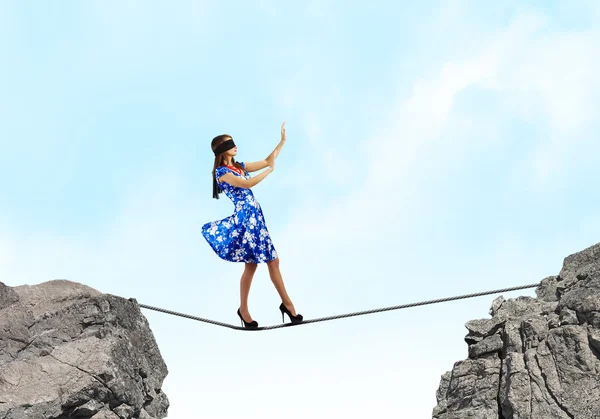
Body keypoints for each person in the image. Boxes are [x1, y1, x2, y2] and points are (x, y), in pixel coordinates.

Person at [201, 122, 303, 329]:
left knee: (268, 263)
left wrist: (282, 142)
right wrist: (270, 171)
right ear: (222, 149)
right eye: (230, 143)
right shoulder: (222, 172)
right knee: (258, 264)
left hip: (257, 218)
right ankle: (249, 310)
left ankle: (285, 305)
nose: (235, 146)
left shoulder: (238, 167)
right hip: (246, 219)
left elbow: (267, 161)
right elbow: (248, 184)